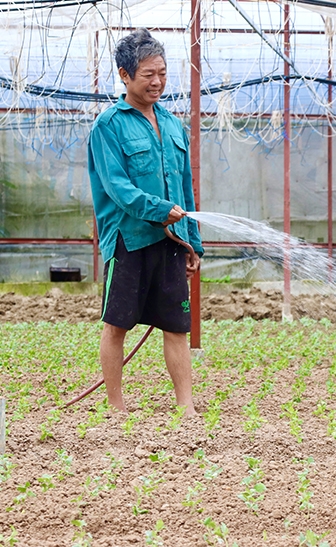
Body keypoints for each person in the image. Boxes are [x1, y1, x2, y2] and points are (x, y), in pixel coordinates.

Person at [87, 29, 204, 417]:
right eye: (148, 74)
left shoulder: (172, 124)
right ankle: (116, 407)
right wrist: (157, 209)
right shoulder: (109, 125)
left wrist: (193, 243)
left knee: (176, 326)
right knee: (117, 325)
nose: (157, 82)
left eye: (163, 73)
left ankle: (186, 408)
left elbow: (185, 190)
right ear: (124, 75)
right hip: (129, 239)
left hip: (171, 239)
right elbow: (117, 187)